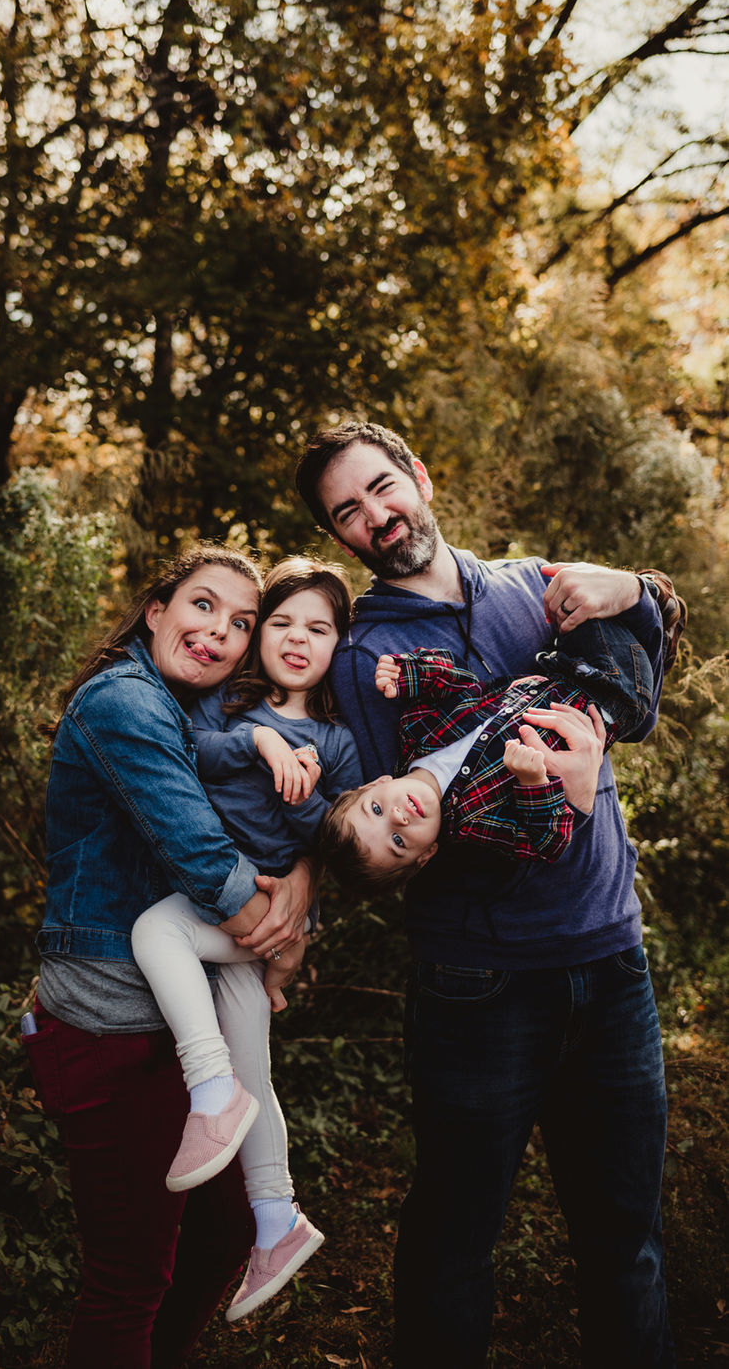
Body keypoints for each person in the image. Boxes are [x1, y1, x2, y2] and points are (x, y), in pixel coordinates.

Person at [294, 420, 681, 1368]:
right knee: (453, 1242)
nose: (377, 516)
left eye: (383, 487)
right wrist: (563, 799)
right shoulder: (365, 658)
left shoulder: (528, 583)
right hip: (480, 982)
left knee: (624, 1240)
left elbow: (642, 662)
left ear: (418, 476)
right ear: (340, 537)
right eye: (349, 511)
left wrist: (632, 587)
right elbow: (408, 839)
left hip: (607, 956)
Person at [24, 545, 313, 1369]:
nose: (218, 631)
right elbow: (202, 859)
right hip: (110, 1025)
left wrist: (303, 873)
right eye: (201, 606)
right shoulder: (123, 703)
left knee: (221, 1233)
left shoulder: (208, 715)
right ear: (156, 610)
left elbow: (292, 824)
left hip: (183, 1034)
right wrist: (281, 936)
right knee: (127, 1278)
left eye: (239, 623)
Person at [130, 557, 363, 1322]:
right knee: (255, 1065)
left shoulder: (336, 741)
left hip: (259, 910)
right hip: (223, 903)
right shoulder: (224, 707)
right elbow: (189, 758)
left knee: (154, 931)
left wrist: (297, 791)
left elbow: (335, 839)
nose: (297, 639)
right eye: (281, 622)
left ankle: (208, 1089)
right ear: (257, 634)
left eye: (318, 629)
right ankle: (275, 1218)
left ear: (337, 646)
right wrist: (263, 749)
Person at [319, 594, 669, 889]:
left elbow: (462, 684)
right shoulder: (475, 823)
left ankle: (648, 604)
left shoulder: (416, 730)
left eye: (376, 809)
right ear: (425, 857)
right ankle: (657, 604)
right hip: (610, 698)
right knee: (615, 618)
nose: (397, 818)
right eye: (397, 843)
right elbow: (546, 843)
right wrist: (533, 782)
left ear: (375, 784)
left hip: (561, 670)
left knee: (574, 601)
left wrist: (411, 672)